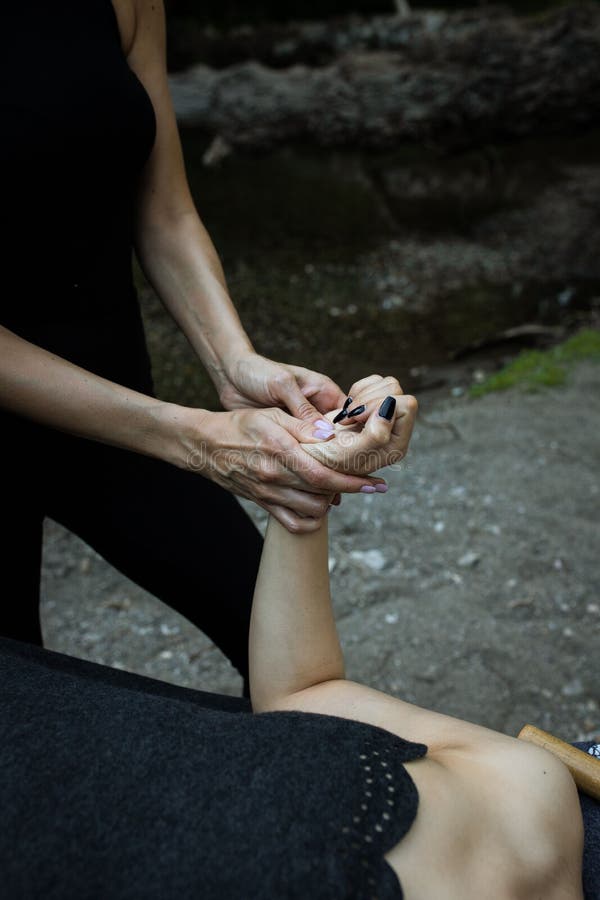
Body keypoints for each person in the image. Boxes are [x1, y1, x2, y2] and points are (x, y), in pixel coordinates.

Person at [0, 387, 596, 899]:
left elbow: (301, 695)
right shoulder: (526, 811)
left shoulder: (529, 810)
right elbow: (302, 694)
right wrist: (312, 476)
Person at [0, 0, 401, 685]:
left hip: (117, 413)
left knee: (277, 640)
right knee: (24, 701)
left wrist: (234, 362)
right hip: (134, 422)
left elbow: (165, 211)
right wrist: (194, 438)